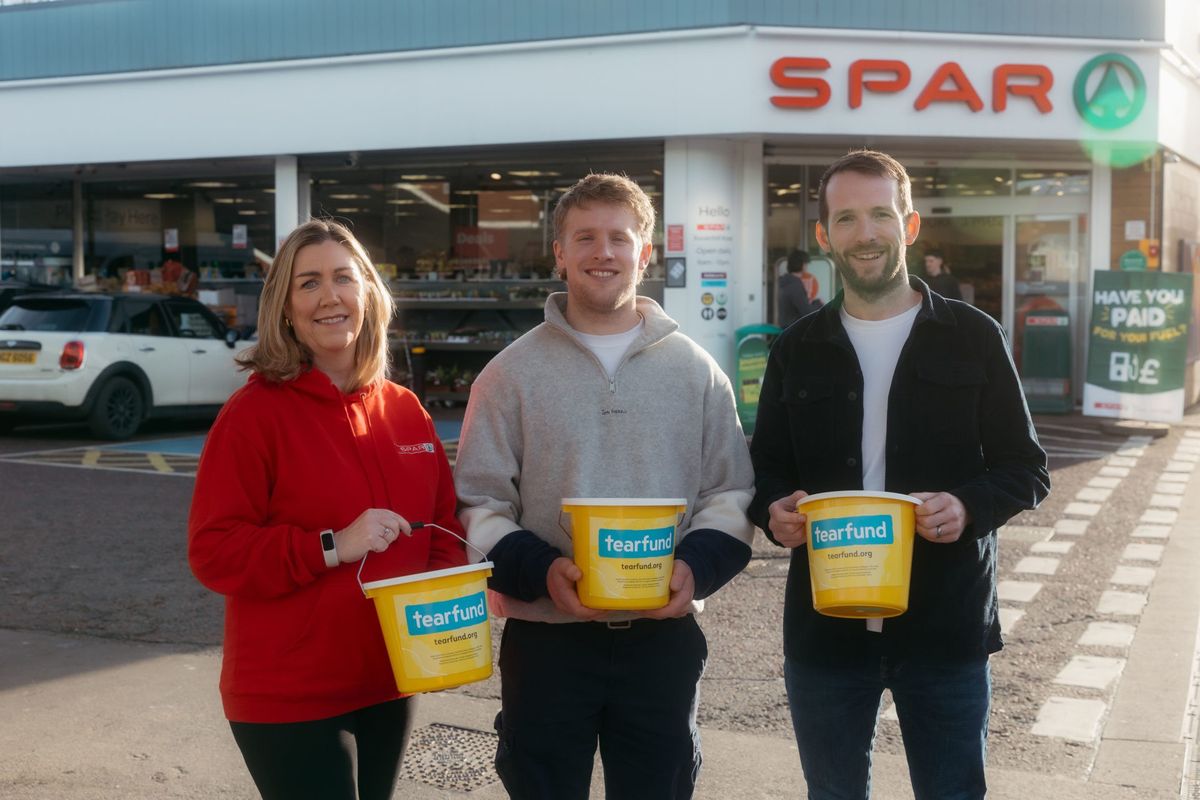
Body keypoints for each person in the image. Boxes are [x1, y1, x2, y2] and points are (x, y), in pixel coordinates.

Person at [748, 150, 1049, 800]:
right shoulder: (796, 349)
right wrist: (774, 510)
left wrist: (967, 506)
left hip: (944, 629)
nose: (865, 234)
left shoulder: (973, 336)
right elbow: (764, 468)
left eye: (881, 214)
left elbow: (1025, 468)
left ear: (909, 226)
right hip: (826, 635)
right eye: (847, 218)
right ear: (824, 235)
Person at [454, 173, 755, 800]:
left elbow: (729, 496)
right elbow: (479, 506)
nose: (604, 253)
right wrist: (541, 574)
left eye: (620, 237)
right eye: (584, 237)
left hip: (661, 643)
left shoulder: (697, 373)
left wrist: (694, 571)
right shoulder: (509, 374)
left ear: (646, 252)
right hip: (547, 646)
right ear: (559, 252)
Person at [188, 219, 465, 800]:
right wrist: (333, 544)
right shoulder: (254, 415)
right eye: (308, 283)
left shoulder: (406, 410)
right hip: (291, 693)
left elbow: (443, 531)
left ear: (368, 291)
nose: (330, 297)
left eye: (343, 278)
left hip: (391, 681)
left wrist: (449, 622)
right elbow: (214, 552)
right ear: (285, 308)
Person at [776, 248, 820, 327]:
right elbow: (806, 312)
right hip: (794, 328)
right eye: (806, 264)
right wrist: (818, 304)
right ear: (803, 265)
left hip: (785, 325)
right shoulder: (795, 285)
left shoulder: (785, 281)